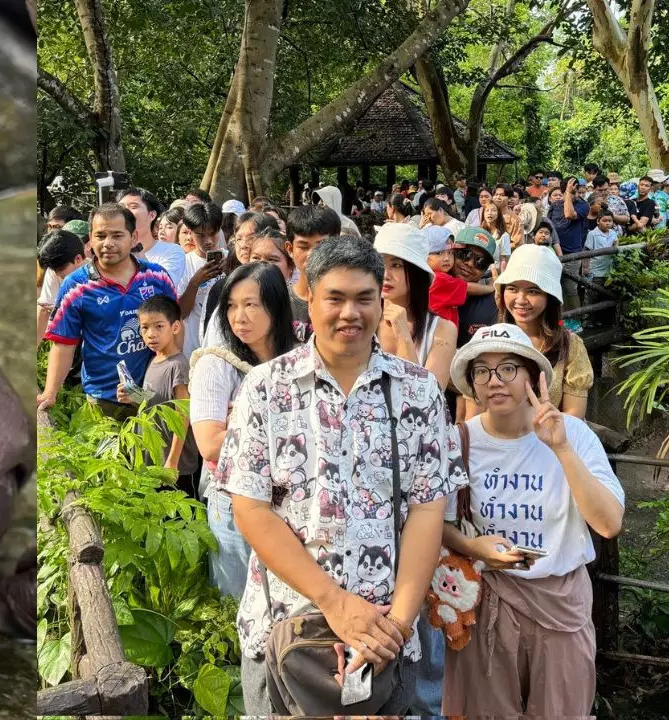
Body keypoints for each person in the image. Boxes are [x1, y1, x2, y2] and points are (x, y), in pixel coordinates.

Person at [219, 235, 464, 714]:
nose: (350, 313)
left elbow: (427, 509)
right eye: (335, 297)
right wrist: (333, 601)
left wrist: (398, 623)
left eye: (364, 298)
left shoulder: (418, 392)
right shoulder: (265, 388)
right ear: (308, 295)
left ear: (382, 299)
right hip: (287, 626)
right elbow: (251, 508)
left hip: (387, 634)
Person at [442, 324, 623, 717]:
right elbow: (431, 521)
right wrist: (474, 547)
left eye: (508, 368)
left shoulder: (573, 434)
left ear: (531, 376)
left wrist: (560, 449)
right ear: (472, 383)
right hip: (488, 600)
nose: (495, 381)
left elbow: (608, 524)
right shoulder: (458, 441)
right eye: (482, 371)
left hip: (560, 603)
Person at [190, 262, 297, 597]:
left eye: (251, 305)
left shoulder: (301, 359)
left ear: (277, 306)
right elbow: (210, 444)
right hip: (233, 502)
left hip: (293, 503)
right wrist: (289, 431)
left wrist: (245, 427)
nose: (239, 316)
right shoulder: (216, 364)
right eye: (232, 306)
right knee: (235, 602)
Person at [39, 203, 179, 419]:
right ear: (90, 241)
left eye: (117, 235)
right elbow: (64, 344)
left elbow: (176, 329)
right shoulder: (76, 286)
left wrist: (175, 374)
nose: (108, 243)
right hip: (103, 401)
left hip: (154, 395)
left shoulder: (157, 277)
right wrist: (50, 392)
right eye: (100, 235)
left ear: (133, 238)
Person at [470, 244, 593, 419]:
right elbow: (475, 414)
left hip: (550, 441)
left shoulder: (570, 345)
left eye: (533, 291)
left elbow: (574, 418)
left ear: (549, 297)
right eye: (512, 289)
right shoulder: (489, 340)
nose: (520, 300)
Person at [115, 295, 202, 497]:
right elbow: (156, 401)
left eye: (159, 326)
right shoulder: (154, 361)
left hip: (175, 464)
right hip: (153, 459)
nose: (151, 334)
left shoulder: (178, 365)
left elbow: (183, 415)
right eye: (145, 327)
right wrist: (133, 397)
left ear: (175, 327)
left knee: (181, 521)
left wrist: (172, 461)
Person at [375, 224, 457, 388]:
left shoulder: (442, 329)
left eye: (396, 265)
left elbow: (428, 396)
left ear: (416, 272)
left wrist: (404, 337)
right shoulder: (364, 319)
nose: (385, 274)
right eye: (379, 263)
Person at [285, 205, 341, 340]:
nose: (312, 254)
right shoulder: (279, 301)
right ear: (290, 249)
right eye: (303, 247)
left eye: (321, 245)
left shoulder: (349, 303)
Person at [178, 202, 226, 358]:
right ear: (190, 232)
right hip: (193, 349)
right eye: (201, 235)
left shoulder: (231, 259)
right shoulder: (183, 264)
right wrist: (195, 282)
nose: (208, 240)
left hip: (225, 347)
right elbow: (181, 313)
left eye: (213, 233)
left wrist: (231, 272)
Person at [118, 187, 189, 293]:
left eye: (133, 206)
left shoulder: (172, 251)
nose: (125, 211)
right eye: (121, 207)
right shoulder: (112, 252)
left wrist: (136, 248)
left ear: (152, 215)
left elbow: (161, 287)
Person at [452, 227, 500, 347]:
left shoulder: (493, 304)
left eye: (480, 262)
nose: (470, 264)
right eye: (465, 254)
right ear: (450, 252)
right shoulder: (425, 286)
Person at [36, 228, 86, 346]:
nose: (57, 274)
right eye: (54, 270)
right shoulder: (54, 271)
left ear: (78, 259)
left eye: (60, 269)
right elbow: (44, 308)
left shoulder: (99, 276)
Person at [546, 179, 589, 311]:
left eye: (576, 192)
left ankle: (576, 322)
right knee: (553, 291)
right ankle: (559, 323)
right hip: (554, 254)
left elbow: (569, 214)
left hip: (572, 254)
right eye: (572, 192)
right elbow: (548, 227)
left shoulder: (583, 205)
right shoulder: (554, 206)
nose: (576, 195)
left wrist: (569, 194)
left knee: (570, 289)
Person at [582, 206, 620, 323]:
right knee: (592, 296)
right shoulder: (592, 234)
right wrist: (586, 267)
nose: (607, 223)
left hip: (609, 270)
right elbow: (586, 251)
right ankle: (587, 320)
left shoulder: (613, 233)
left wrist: (616, 244)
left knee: (605, 295)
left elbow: (616, 248)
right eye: (604, 221)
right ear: (598, 221)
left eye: (610, 221)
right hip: (596, 270)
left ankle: (601, 320)